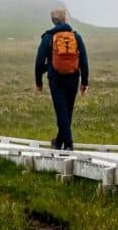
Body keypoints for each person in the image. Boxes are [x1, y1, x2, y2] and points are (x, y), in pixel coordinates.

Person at [34, 8, 89, 150]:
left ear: (53, 21)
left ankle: (69, 144)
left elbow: (39, 61)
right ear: (65, 19)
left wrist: (38, 82)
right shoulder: (76, 37)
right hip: (73, 77)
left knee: (61, 111)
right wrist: (84, 82)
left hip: (56, 79)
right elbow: (83, 60)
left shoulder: (48, 37)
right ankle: (59, 142)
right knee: (67, 111)